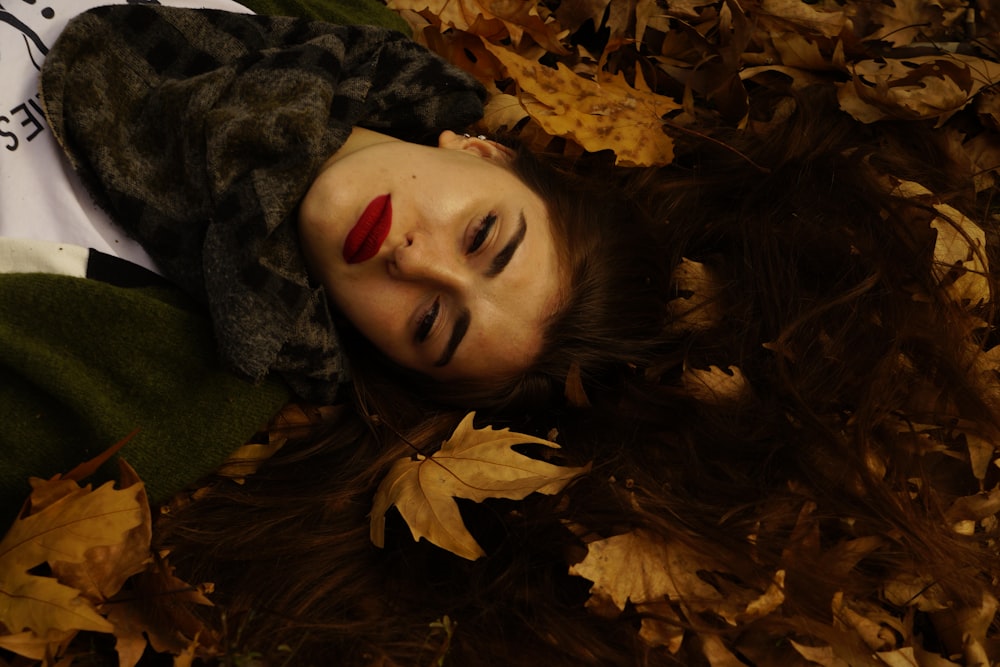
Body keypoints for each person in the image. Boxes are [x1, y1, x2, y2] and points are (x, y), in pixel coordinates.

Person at [5, 4, 1000, 667]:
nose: (419, 262)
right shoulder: (332, 27)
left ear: (383, 354)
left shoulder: (133, 372)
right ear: (485, 149)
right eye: (483, 234)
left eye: (434, 324)